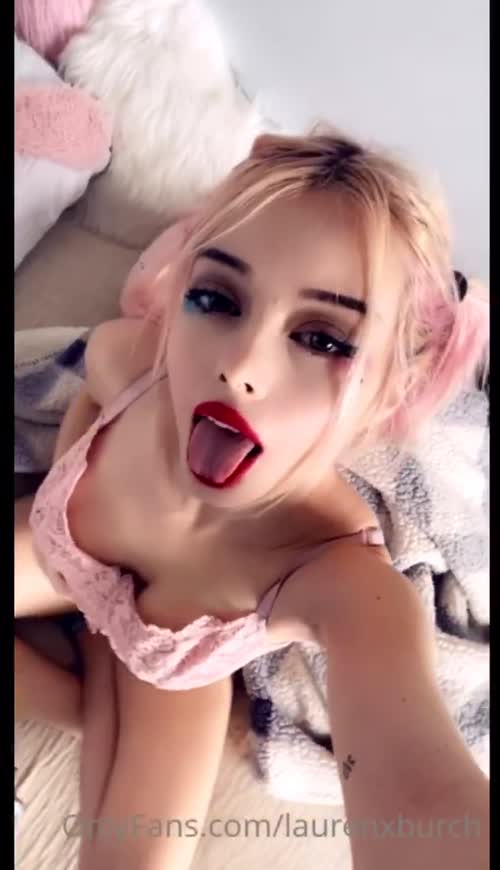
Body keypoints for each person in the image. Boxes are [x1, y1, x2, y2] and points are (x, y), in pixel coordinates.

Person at [15, 127, 489, 869]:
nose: (240, 365)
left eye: (324, 339)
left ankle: (119, 690)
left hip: (169, 669)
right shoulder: (131, 366)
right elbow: (89, 399)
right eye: (216, 298)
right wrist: (65, 487)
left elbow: (420, 791)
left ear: (388, 389)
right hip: (65, 572)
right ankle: (94, 691)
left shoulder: (338, 577)